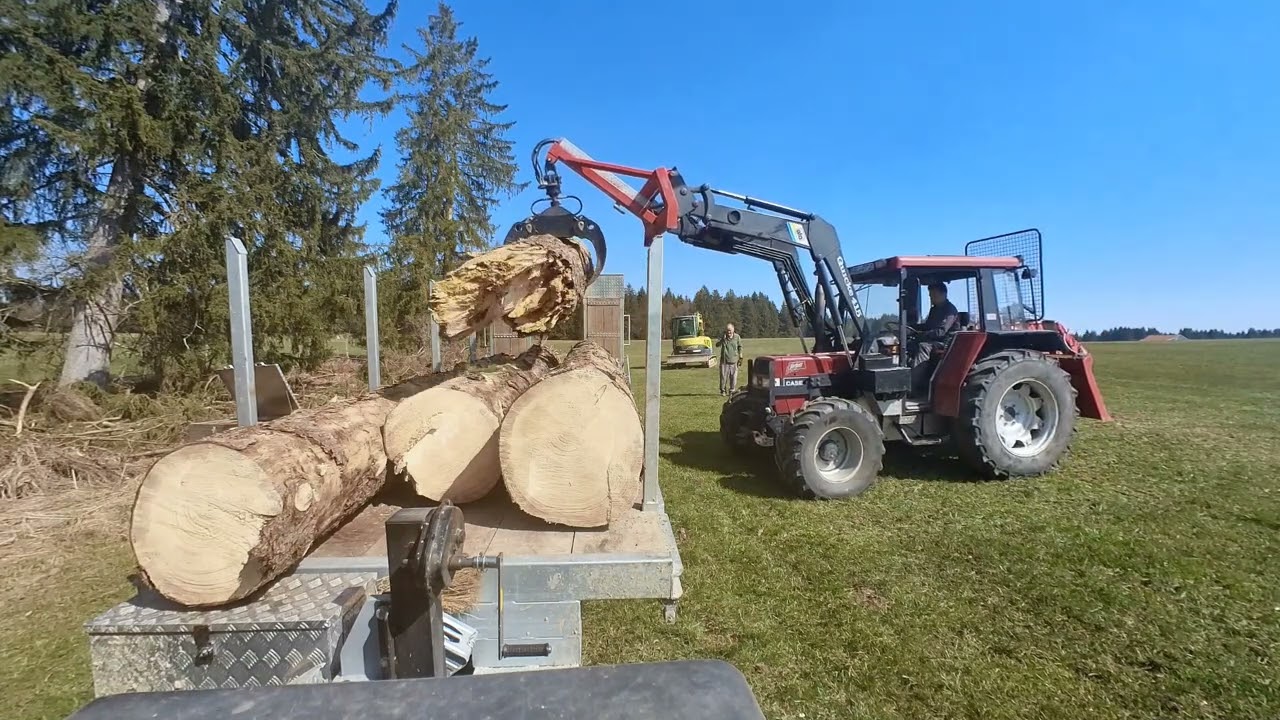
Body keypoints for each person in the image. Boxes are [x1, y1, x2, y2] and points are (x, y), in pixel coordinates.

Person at [910, 282, 959, 389]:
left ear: (944, 294)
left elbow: (941, 332)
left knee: (923, 347)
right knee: (909, 344)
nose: (931, 298)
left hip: (946, 343)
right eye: (930, 296)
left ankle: (912, 386)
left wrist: (922, 334)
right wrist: (913, 327)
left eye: (934, 295)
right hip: (934, 340)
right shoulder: (935, 309)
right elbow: (928, 326)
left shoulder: (950, 310)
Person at [716, 323, 743, 395]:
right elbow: (717, 345)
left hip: (734, 361)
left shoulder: (737, 337)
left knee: (733, 378)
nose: (729, 332)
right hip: (724, 361)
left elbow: (740, 346)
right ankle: (723, 390)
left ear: (733, 330)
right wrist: (722, 340)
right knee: (723, 377)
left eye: (730, 330)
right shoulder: (723, 337)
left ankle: (732, 390)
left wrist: (740, 356)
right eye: (727, 330)